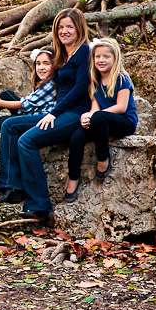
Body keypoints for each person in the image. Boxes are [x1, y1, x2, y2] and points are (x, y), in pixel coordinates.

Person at [0, 8, 92, 224]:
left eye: (69, 27)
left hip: (74, 114)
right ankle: (13, 188)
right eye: (60, 27)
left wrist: (54, 113)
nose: (64, 31)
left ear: (79, 28)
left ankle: (39, 206)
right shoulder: (63, 56)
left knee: (27, 140)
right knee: (10, 126)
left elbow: (80, 87)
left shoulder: (84, 51)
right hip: (60, 112)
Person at [64, 38, 137, 202]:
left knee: (100, 118)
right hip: (102, 121)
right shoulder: (95, 82)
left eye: (106, 57)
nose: (101, 60)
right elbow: (95, 109)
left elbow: (121, 107)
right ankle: (74, 177)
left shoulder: (121, 78)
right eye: (97, 57)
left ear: (115, 58)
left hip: (124, 122)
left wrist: (97, 115)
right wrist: (87, 116)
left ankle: (103, 156)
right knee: (77, 135)